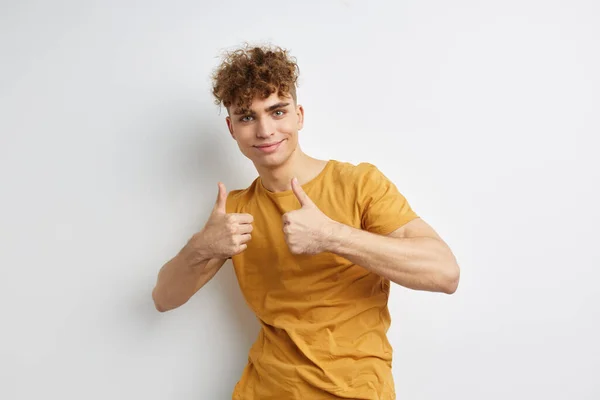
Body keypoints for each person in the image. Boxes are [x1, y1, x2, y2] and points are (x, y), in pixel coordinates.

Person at [152, 43, 460, 400]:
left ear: (299, 115)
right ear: (231, 128)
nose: (265, 130)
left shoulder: (358, 184)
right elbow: (164, 298)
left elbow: (445, 273)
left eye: (277, 111)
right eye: (247, 117)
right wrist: (201, 247)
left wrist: (333, 236)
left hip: (355, 392)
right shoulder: (234, 211)